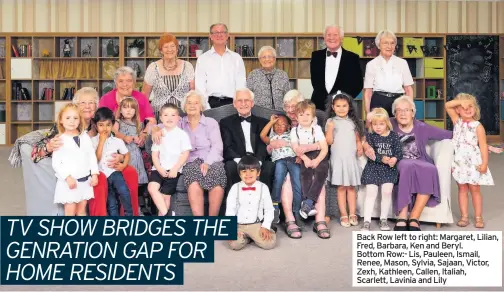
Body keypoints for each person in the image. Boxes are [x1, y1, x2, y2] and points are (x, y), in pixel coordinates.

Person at [10, 87, 138, 216]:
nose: (87, 106)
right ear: (75, 106)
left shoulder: (100, 122)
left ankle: (130, 216)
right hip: (82, 172)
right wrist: (48, 147)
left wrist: (121, 157)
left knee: (129, 172)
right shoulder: (65, 128)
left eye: (91, 102)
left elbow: (114, 145)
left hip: (102, 166)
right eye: (83, 103)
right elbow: (38, 153)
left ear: (96, 106)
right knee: (99, 182)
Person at [363, 96, 452, 231]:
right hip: (395, 162)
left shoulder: (421, 127)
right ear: (394, 113)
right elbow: (367, 133)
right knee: (406, 165)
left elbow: (448, 134)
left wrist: (478, 141)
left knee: (430, 169)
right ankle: (402, 216)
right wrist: (365, 146)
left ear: (413, 112)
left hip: (420, 160)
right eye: (399, 110)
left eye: (407, 110)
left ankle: (414, 217)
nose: (403, 114)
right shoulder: (387, 123)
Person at [446, 93, 494, 228]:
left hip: (473, 162)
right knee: (461, 188)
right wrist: (463, 101)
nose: (467, 109)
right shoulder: (456, 120)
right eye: (463, 107)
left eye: (470, 106)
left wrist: (484, 163)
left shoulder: (478, 126)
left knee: (474, 189)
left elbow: (483, 146)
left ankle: (478, 217)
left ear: (475, 108)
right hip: (459, 162)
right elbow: (447, 105)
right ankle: (464, 216)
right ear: (457, 110)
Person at [179, 90, 227, 216]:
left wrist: (208, 162)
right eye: (189, 103)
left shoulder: (211, 123)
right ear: (184, 106)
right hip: (189, 160)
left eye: (196, 103)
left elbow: (217, 146)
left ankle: (211, 223)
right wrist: (155, 129)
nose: (192, 106)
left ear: (201, 106)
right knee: (194, 181)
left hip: (211, 158)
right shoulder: (179, 123)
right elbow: (163, 126)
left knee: (217, 177)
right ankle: (200, 225)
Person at [220, 88, 274, 192]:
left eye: (246, 100)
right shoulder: (225, 122)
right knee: (230, 166)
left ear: (252, 103)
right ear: (234, 104)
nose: (243, 104)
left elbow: (263, 145)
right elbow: (227, 146)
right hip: (238, 158)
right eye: (240, 101)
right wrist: (240, 162)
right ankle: (234, 204)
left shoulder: (264, 122)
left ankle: (264, 204)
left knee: (269, 166)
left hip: (257, 158)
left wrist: (257, 162)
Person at [325, 91, 365, 227]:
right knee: (341, 187)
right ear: (333, 107)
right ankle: (343, 214)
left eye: (344, 106)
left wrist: (359, 145)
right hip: (338, 159)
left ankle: (352, 213)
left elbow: (357, 138)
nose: (341, 109)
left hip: (351, 159)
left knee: (352, 187)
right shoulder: (331, 122)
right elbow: (329, 142)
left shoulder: (353, 122)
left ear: (349, 107)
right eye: (338, 106)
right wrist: (330, 129)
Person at [360, 108, 403, 231]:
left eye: (381, 124)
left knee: (387, 192)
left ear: (387, 123)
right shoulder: (371, 136)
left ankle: (383, 219)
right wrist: (382, 158)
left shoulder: (394, 136)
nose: (378, 127)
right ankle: (366, 221)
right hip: (373, 168)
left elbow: (399, 152)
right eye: (375, 124)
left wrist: (394, 158)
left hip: (389, 170)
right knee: (371, 193)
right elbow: (370, 154)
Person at [52, 104, 99, 216]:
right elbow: (56, 163)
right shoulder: (60, 140)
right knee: (70, 212)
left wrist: (94, 174)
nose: (72, 121)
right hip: (69, 182)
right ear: (61, 121)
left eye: (75, 118)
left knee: (82, 211)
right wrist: (67, 177)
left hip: (85, 181)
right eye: (68, 118)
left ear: (80, 121)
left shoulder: (85, 137)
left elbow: (91, 156)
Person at [148, 103, 192, 216]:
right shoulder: (159, 134)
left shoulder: (182, 135)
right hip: (158, 169)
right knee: (152, 188)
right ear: (161, 118)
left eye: (173, 115)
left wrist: (175, 169)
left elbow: (185, 153)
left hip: (173, 170)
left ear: (178, 118)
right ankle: (168, 215)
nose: (169, 118)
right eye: (166, 115)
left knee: (165, 198)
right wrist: (159, 168)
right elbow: (154, 155)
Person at [226, 155, 276, 250]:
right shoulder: (234, 188)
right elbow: (230, 210)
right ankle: (247, 238)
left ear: (258, 173)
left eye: (252, 170)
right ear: (239, 174)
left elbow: (269, 209)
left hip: (255, 224)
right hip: (239, 225)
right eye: (244, 171)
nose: (248, 174)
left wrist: (265, 226)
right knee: (235, 245)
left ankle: (264, 231)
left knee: (270, 243)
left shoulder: (263, 187)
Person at [260, 114, 301, 225]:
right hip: (279, 160)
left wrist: (300, 157)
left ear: (288, 127)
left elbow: (299, 147)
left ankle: (297, 211)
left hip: (293, 160)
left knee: (297, 183)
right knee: (278, 179)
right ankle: (275, 206)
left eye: (283, 125)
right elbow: (262, 135)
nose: (279, 127)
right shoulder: (272, 137)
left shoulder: (292, 135)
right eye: (277, 125)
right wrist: (271, 122)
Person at [290, 100, 329, 219]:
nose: (304, 117)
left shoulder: (316, 129)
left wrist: (317, 161)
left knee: (321, 172)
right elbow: (296, 148)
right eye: (301, 115)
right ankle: (309, 204)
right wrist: (306, 160)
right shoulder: (294, 131)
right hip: (304, 156)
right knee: (305, 174)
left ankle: (308, 202)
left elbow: (324, 148)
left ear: (313, 117)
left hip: (319, 154)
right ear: (296, 117)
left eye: (307, 114)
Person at [363, 29, 414, 119]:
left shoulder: (402, 63)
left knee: (398, 130)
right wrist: (368, 114)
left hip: (398, 101)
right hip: (378, 101)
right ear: (379, 45)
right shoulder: (371, 64)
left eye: (392, 43)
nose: (389, 46)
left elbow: (408, 89)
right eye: (385, 43)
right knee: (379, 130)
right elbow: (368, 93)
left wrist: (410, 110)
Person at [99, 66, 156, 145]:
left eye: (129, 81)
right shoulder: (106, 99)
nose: (125, 84)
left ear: (134, 82)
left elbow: (152, 121)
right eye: (121, 81)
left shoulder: (141, 98)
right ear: (116, 83)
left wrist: (144, 134)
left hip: (137, 142)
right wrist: (122, 137)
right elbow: (102, 124)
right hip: (111, 141)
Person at [310, 25, 363, 110]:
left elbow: (358, 84)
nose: (332, 38)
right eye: (328, 35)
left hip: (343, 108)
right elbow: (315, 82)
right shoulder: (316, 56)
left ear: (342, 38)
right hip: (319, 106)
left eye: (335, 35)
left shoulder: (353, 58)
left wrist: (342, 100)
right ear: (324, 38)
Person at [92, 108, 133, 216]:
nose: (105, 128)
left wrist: (123, 165)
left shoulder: (117, 141)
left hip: (114, 172)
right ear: (96, 126)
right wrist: (101, 141)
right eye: (101, 125)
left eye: (108, 125)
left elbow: (127, 154)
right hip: (102, 175)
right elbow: (96, 159)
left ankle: (129, 215)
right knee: (111, 203)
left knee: (124, 191)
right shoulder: (93, 141)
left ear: (112, 125)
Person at [195, 23, 246, 108]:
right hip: (210, 104)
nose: (219, 35)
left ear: (227, 35)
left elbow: (241, 84)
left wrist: (239, 104)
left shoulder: (237, 58)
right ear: (210, 36)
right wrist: (206, 107)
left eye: (222, 32)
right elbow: (200, 87)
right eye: (215, 32)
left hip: (232, 104)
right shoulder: (202, 59)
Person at [142, 33, 195, 114]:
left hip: (183, 115)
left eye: (172, 46)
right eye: (166, 47)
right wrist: (147, 117)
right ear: (161, 50)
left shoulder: (187, 66)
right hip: (158, 115)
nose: (169, 49)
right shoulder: (152, 67)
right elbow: (145, 96)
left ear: (177, 49)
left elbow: (193, 93)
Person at [114, 97, 149, 214]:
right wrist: (124, 137)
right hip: (125, 153)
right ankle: (125, 208)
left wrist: (140, 140)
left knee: (136, 184)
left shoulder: (137, 123)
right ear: (120, 110)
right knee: (126, 182)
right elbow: (114, 133)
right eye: (125, 107)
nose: (128, 110)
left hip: (136, 153)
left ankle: (136, 207)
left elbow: (141, 137)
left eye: (131, 108)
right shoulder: (118, 122)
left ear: (136, 110)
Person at [246, 46, 291, 110]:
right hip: (259, 114)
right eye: (264, 57)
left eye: (269, 57)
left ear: (274, 58)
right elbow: (248, 96)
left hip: (280, 114)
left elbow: (288, 96)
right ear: (259, 60)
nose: (267, 59)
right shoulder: (253, 75)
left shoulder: (283, 75)